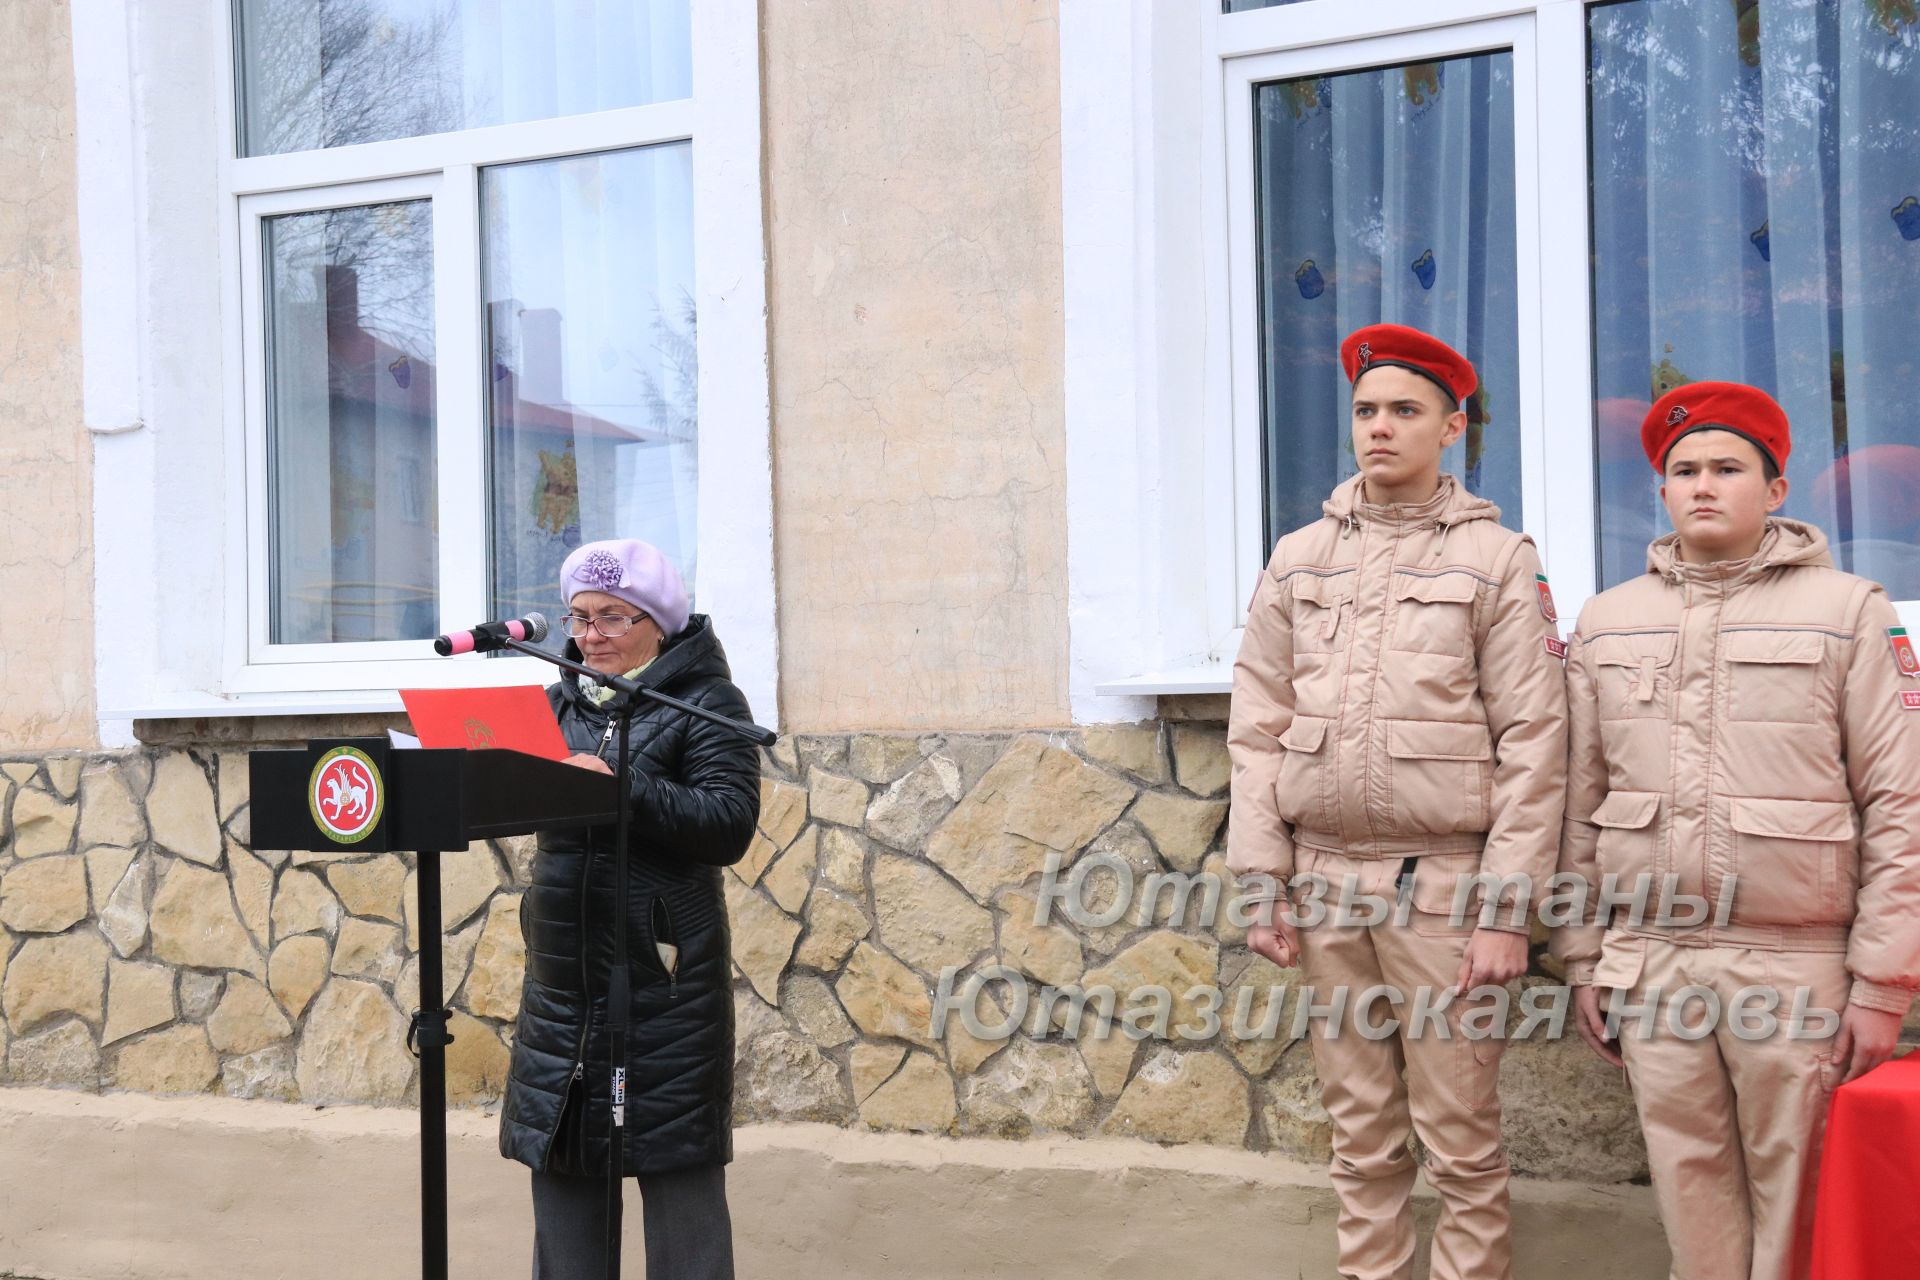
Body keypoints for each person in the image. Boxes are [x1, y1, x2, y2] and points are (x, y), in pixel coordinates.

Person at [1552, 382, 1920, 1280]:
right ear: (1662, 490)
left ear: (1778, 487)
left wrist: (1881, 982)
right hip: (1654, 957)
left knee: (1803, 1194)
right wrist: (1582, 954)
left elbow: (1900, 806)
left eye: (1728, 467)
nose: (1703, 485)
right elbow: (1578, 808)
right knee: (1688, 1180)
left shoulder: (1849, 613)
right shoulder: (1608, 621)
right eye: (1683, 471)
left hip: (1793, 962)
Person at [1227, 324, 1568, 1280]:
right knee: (1360, 1137)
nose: (1380, 428)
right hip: (1327, 881)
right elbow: (1256, 727)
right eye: (1366, 411)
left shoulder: (1499, 559)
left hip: (1444, 888)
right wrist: (1264, 880)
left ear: (1452, 427)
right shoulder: (1298, 559)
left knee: (1458, 1139)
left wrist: (1507, 914)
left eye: (1405, 412)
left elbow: (1536, 744)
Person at [498, 538, 761, 1280]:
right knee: (564, 1175)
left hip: (661, 990)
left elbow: (727, 823)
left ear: (659, 622)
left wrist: (618, 787)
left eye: (613, 616)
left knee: (679, 1186)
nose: (590, 634)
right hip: (562, 989)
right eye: (580, 617)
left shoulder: (706, 702)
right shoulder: (557, 702)